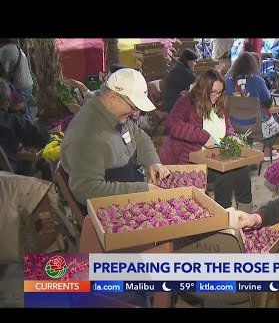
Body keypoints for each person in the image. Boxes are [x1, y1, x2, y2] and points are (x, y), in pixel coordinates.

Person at [60, 68, 170, 210]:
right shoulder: (87, 135)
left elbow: (140, 138)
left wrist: (153, 162)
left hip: (130, 190)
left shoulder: (114, 114)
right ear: (113, 98)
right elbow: (87, 190)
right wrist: (142, 190)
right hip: (111, 210)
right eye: (133, 106)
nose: (135, 113)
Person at [159, 68, 253, 213]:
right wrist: (204, 136)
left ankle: (247, 216)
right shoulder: (186, 102)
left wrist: (231, 136)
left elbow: (227, 125)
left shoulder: (220, 103)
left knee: (242, 171)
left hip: (215, 157)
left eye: (220, 92)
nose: (217, 96)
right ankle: (224, 216)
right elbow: (173, 124)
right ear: (203, 89)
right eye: (213, 92)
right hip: (190, 161)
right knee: (226, 175)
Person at [225, 52, 279, 161]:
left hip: (233, 123)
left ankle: (246, 148)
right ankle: (267, 152)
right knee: (275, 120)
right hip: (255, 123)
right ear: (253, 65)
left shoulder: (227, 81)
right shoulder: (257, 80)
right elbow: (267, 101)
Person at [0, 78, 50, 174]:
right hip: (10, 175)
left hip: (4, 169)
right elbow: (43, 137)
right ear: (5, 100)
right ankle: (49, 188)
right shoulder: (11, 120)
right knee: (44, 161)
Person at [0, 39, 34, 120]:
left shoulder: (4, 50)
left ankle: (28, 129)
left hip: (19, 86)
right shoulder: (17, 48)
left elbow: (3, 70)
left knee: (22, 114)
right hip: (28, 83)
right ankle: (31, 128)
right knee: (27, 111)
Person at [160, 48, 198, 113]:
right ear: (187, 61)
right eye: (194, 61)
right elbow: (198, 86)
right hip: (174, 105)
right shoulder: (184, 72)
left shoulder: (177, 68)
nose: (195, 64)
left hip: (170, 103)